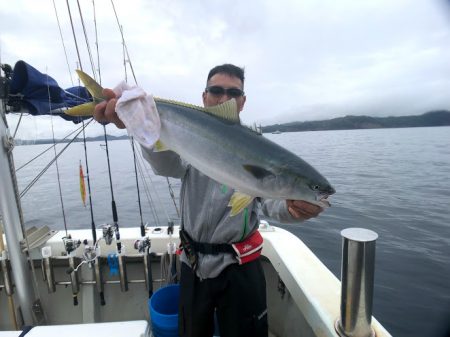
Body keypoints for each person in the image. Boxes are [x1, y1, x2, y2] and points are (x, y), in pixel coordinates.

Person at [94, 64, 325, 337]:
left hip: (240, 267)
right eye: (216, 90)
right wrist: (137, 125)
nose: (223, 98)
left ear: (242, 101)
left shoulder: (258, 147)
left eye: (233, 92)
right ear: (204, 96)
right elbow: (164, 164)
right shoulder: (188, 135)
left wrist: (291, 208)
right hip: (193, 263)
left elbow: (268, 200)